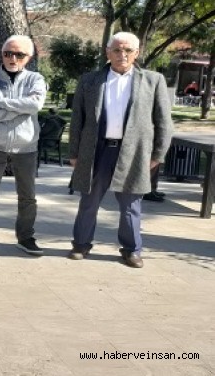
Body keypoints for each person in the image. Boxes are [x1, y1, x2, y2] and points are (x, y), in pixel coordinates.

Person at [68, 32, 173, 268]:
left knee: (130, 205)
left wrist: (157, 155)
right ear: (107, 52)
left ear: (137, 54)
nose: (121, 55)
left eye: (127, 51)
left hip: (134, 153)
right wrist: (74, 153)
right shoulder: (90, 80)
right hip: (97, 151)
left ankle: (132, 250)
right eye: (116, 50)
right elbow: (77, 119)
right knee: (89, 201)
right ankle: (81, 244)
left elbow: (164, 122)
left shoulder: (153, 81)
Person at [0, 35, 47, 256]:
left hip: (26, 147)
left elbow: (35, 105)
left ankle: (26, 237)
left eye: (19, 54)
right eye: (8, 53)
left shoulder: (36, 80)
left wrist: (0, 103)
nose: (12, 58)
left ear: (28, 57)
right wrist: (18, 108)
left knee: (28, 196)